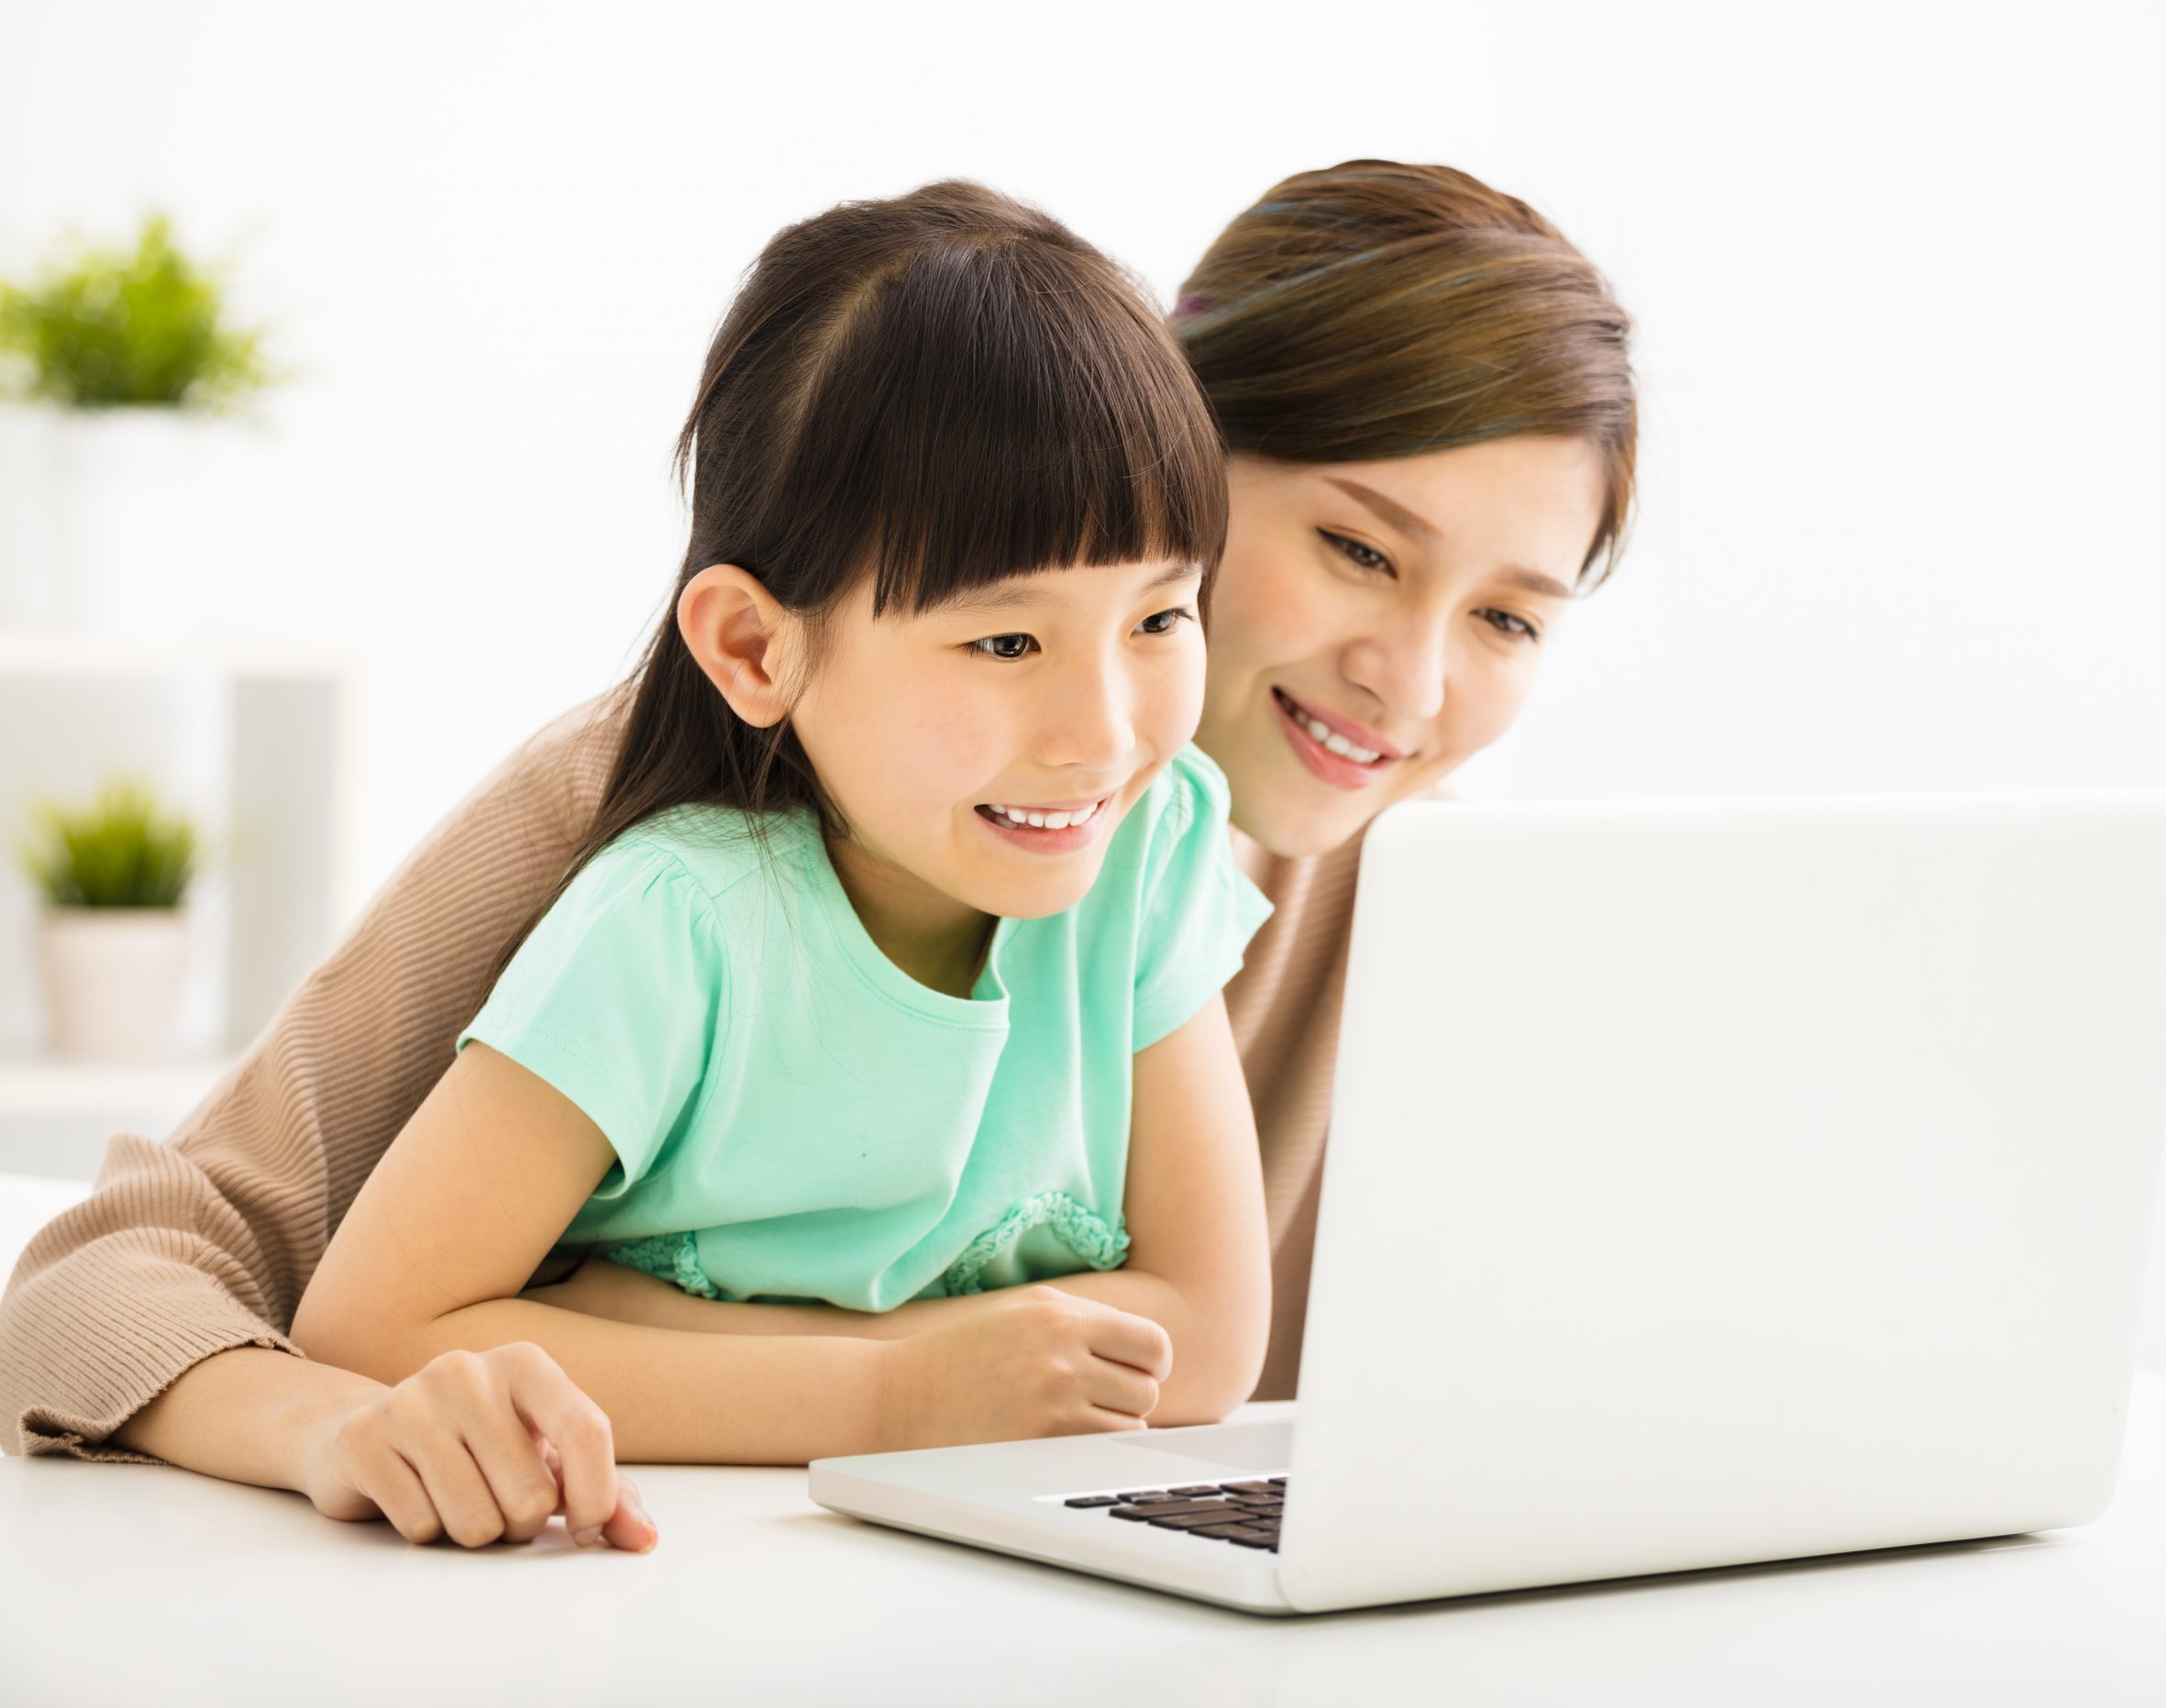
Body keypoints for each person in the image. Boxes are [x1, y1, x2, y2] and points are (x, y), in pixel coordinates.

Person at [0, 160, 1639, 1554]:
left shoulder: (1426, 908)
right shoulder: (653, 839)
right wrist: (334, 1428)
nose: (1409, 689)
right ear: (1171, 453)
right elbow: (123, 1284)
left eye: (1507, 618)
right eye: (1358, 549)